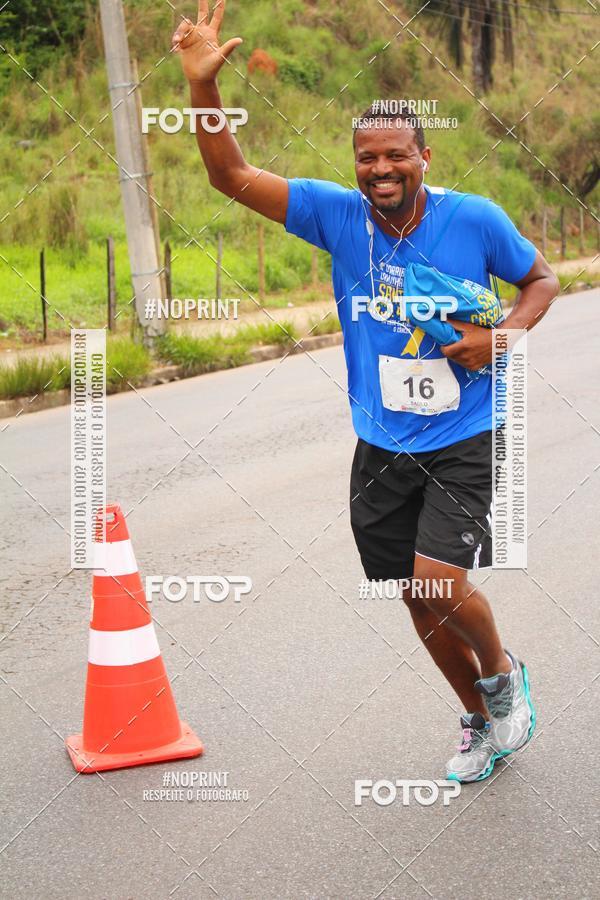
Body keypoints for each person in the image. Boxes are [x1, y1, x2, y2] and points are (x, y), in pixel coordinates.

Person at [172, 1, 559, 782]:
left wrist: (502, 337)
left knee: (439, 581)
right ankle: (481, 723)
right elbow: (230, 176)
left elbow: (541, 280)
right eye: (366, 159)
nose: (380, 170)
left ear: (423, 157)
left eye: (396, 157)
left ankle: (502, 675)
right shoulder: (337, 216)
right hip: (381, 443)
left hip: (465, 432)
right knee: (413, 598)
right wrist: (203, 89)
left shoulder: (475, 219)